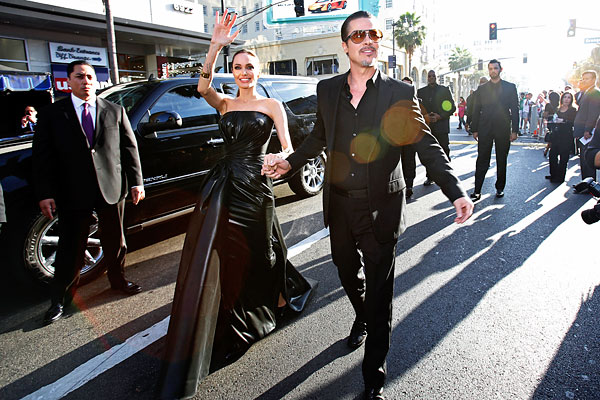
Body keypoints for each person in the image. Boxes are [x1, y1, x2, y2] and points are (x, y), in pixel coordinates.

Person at [262, 11, 473, 400]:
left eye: (373, 33)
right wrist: (289, 163)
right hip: (340, 207)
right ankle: (363, 315)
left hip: (382, 209)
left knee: (380, 294)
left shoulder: (399, 92)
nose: (367, 40)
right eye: (357, 35)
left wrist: (455, 189)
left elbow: (426, 144)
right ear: (345, 46)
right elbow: (317, 139)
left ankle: (374, 374)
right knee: (345, 271)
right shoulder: (328, 90)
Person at [157, 11, 313, 400]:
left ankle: (275, 297)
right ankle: (235, 316)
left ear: (258, 72)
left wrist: (278, 159)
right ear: (233, 71)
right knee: (228, 254)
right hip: (226, 186)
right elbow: (201, 86)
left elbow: (288, 147)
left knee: (263, 252)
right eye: (238, 67)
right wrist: (214, 46)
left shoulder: (272, 105)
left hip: (257, 188)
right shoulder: (224, 104)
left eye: (249, 67)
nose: (244, 72)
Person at [32, 60, 145, 325]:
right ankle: (60, 299)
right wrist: (44, 193)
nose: (86, 82)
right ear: (68, 81)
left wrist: (137, 182)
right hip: (72, 190)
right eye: (80, 77)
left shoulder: (115, 110)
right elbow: (42, 157)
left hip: (111, 187)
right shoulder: (52, 114)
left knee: (115, 241)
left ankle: (118, 281)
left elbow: (129, 149)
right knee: (71, 247)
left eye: (90, 77)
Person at [470, 59, 519, 200]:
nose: (493, 71)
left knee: (501, 159)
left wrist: (515, 130)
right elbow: (476, 109)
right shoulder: (482, 89)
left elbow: (515, 109)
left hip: (503, 128)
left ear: (500, 69)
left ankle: (500, 188)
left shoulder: (510, 87)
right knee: (482, 159)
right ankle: (477, 190)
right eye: (490, 68)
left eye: (495, 68)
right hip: (485, 128)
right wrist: (474, 129)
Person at [417, 69, 456, 186]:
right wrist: (426, 117)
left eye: (433, 76)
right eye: (429, 76)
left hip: (441, 126)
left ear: (436, 77)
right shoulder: (421, 92)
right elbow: (417, 108)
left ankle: (447, 175)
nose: (431, 78)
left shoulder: (444, 90)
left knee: (444, 151)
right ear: (427, 78)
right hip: (427, 127)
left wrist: (440, 116)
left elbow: (452, 107)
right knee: (429, 153)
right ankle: (430, 176)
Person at [573, 70, 600, 184]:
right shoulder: (586, 92)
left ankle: (589, 184)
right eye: (583, 79)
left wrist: (588, 130)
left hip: (587, 132)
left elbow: (593, 113)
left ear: (594, 79)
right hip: (582, 130)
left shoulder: (595, 92)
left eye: (587, 79)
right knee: (583, 158)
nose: (584, 81)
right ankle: (585, 183)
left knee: (587, 158)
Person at [546, 91, 577, 183]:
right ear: (561, 99)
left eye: (569, 97)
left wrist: (563, 121)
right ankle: (553, 174)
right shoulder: (557, 109)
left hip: (566, 135)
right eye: (565, 97)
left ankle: (560, 177)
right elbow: (551, 119)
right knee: (552, 155)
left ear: (571, 100)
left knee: (564, 157)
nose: (566, 99)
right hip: (556, 135)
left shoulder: (573, 110)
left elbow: (573, 122)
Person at [400, 76, 417, 199]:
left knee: (409, 162)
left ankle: (409, 186)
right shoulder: (393, 102)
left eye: (408, 85)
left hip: (410, 139)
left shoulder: (416, 103)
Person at [542, 91, 560, 157]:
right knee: (556, 137)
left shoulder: (548, 105)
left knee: (551, 137)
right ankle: (548, 150)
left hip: (550, 122)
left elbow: (545, 115)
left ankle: (547, 150)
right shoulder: (560, 105)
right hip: (559, 122)